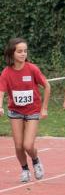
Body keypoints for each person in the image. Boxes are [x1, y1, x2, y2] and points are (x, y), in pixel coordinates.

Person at [0, 38, 50, 183]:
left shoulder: (32, 69)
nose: (23, 54)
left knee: (28, 145)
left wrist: (44, 108)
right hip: (15, 111)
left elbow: (47, 86)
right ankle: (25, 169)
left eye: (25, 51)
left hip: (33, 110)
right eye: (19, 51)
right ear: (12, 53)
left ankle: (36, 160)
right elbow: (1, 91)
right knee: (19, 145)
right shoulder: (6, 72)